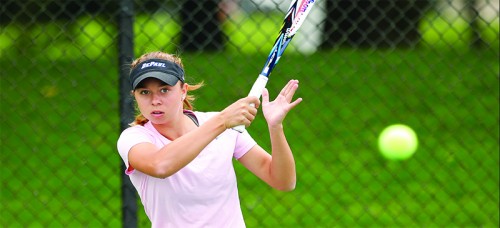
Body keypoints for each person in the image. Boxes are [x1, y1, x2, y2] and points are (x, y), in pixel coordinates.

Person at [117, 51, 302, 227]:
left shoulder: (224, 126)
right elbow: (160, 165)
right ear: (135, 96)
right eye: (144, 92)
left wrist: (276, 127)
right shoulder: (133, 138)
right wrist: (221, 121)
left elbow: (283, 181)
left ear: (183, 91)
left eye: (164, 90)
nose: (155, 100)